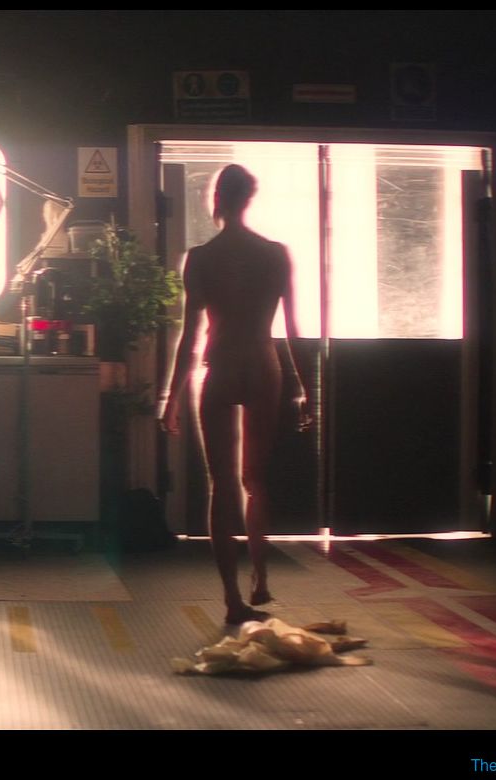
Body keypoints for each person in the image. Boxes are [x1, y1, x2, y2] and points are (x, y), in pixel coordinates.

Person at [160, 164, 310, 626]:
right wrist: (307, 388)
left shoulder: (201, 259)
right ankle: (260, 579)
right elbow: (293, 331)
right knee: (255, 480)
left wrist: (171, 396)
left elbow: (190, 336)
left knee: (221, 484)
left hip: (222, 367)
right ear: (248, 199)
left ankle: (231, 599)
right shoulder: (275, 255)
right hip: (263, 366)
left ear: (218, 200)